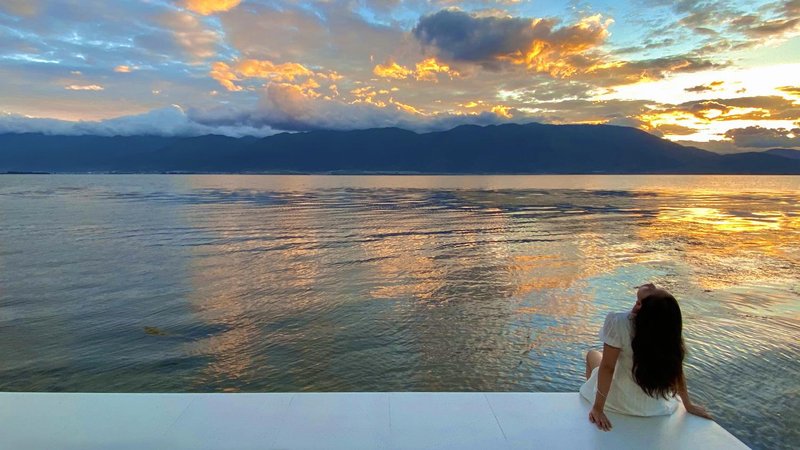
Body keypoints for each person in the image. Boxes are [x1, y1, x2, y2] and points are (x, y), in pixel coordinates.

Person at [580, 283, 713, 431]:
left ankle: (595, 400)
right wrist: (688, 404)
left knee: (593, 355)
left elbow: (607, 368)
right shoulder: (667, 325)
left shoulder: (618, 321)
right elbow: (676, 367)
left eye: (639, 302)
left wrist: (598, 409)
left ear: (642, 309)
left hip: (619, 402)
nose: (652, 285)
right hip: (655, 406)